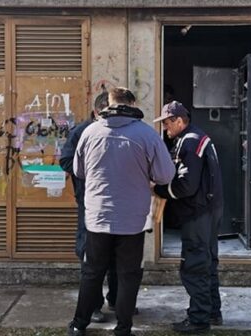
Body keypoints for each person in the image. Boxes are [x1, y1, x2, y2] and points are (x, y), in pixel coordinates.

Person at [68, 87, 175, 336]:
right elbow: (165, 175)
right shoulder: (147, 135)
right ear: (133, 103)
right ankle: (123, 328)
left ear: (108, 104)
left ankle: (78, 325)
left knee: (92, 272)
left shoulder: (89, 132)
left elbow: (78, 170)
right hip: (132, 219)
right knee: (128, 274)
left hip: (97, 217)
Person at [152, 101, 224, 334]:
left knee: (194, 265)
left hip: (197, 212)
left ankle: (198, 319)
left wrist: (160, 190)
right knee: (208, 261)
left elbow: (186, 185)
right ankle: (212, 312)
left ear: (179, 121)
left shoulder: (189, 142)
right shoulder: (197, 137)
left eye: (167, 123)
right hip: (210, 210)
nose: (165, 129)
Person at [60, 91, 115, 323]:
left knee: (118, 255)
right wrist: (89, 170)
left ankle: (118, 299)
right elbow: (65, 161)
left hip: (117, 203)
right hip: (90, 203)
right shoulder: (82, 131)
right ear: (97, 111)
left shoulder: (124, 130)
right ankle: (93, 305)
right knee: (89, 254)